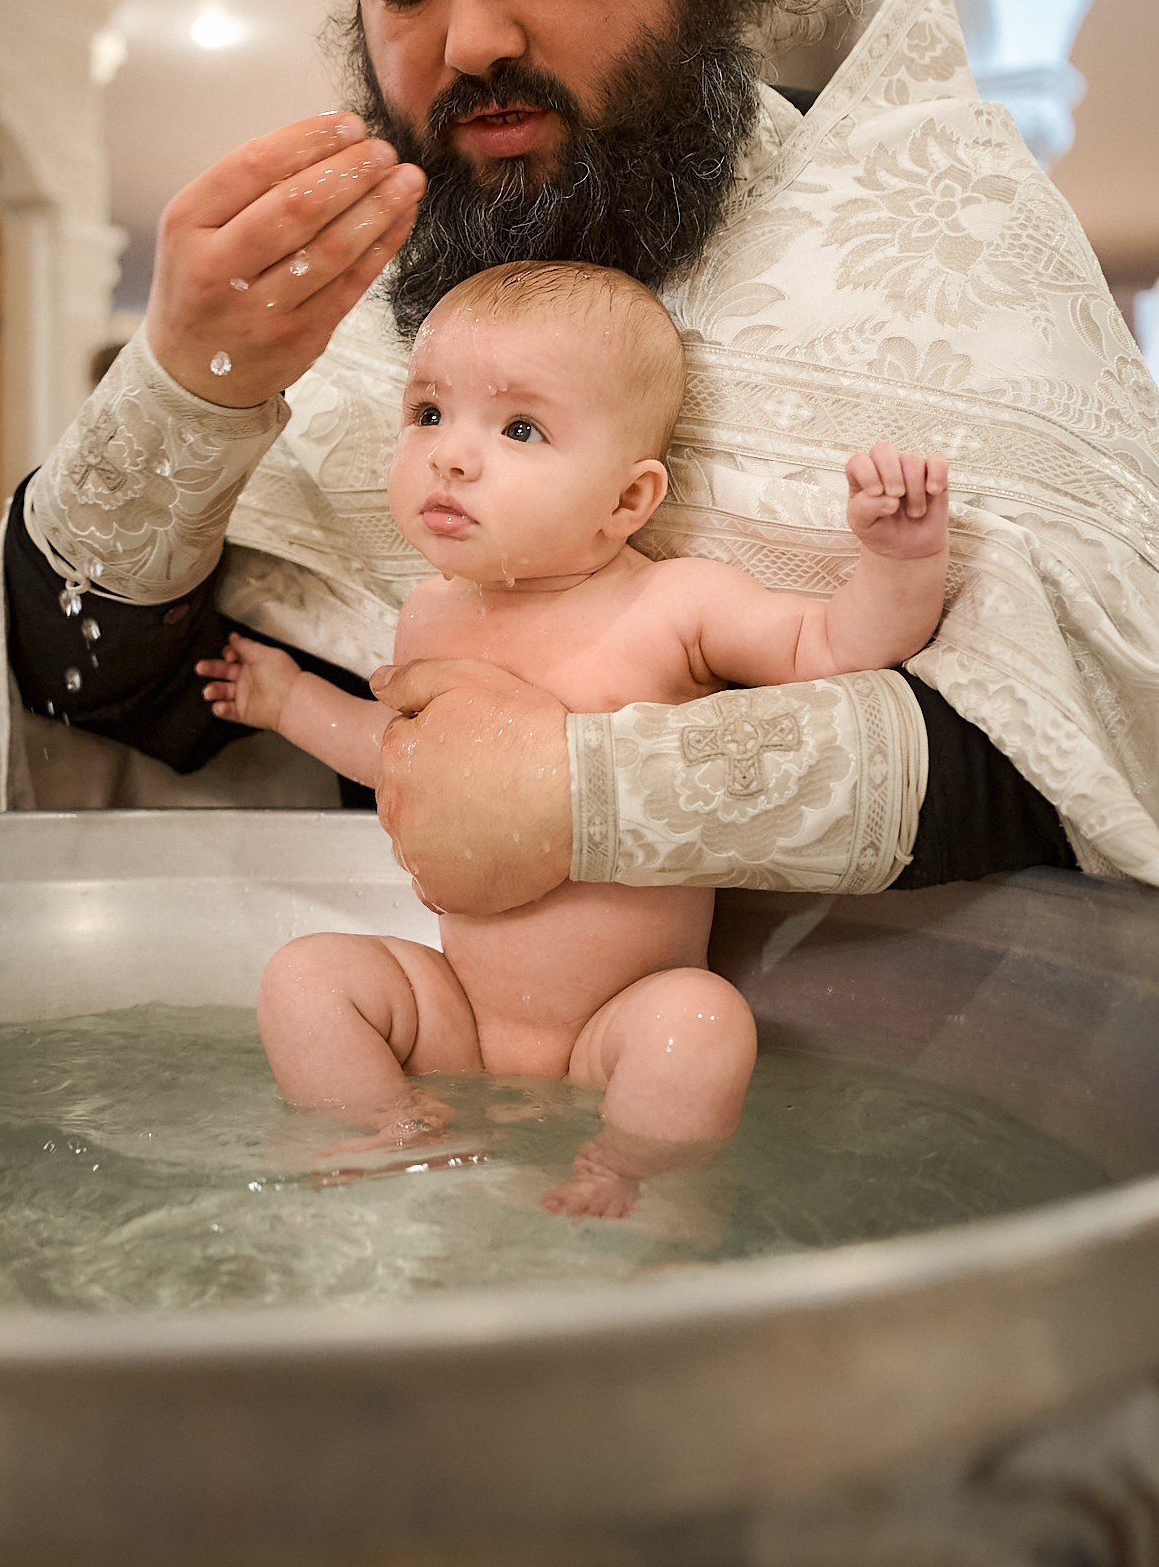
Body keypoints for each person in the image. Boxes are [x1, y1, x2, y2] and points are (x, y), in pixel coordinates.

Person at [0, 0, 1159, 908]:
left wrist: (595, 794)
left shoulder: (943, 233)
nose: (472, 39)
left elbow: (1087, 743)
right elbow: (108, 696)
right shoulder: (375, 327)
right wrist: (187, 387)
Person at [195, 261, 950, 1216]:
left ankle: (628, 1172)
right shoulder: (430, 615)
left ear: (628, 501)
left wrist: (896, 562)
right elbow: (401, 761)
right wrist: (290, 699)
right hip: (458, 1019)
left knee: (703, 1024)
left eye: (518, 429)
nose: (450, 456)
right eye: (427, 413)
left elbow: (832, 647)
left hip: (615, 1026)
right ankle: (389, 1132)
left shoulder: (672, 604)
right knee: (305, 978)